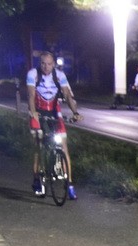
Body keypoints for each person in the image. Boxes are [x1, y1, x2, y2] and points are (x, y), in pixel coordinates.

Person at [26, 51, 81, 199]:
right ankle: (37, 178)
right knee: (39, 146)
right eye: (43, 63)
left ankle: (69, 184)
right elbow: (31, 95)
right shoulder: (33, 74)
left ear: (54, 64)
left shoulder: (60, 75)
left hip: (54, 112)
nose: (46, 66)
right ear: (40, 63)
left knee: (63, 147)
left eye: (49, 64)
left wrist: (75, 112)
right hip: (38, 111)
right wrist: (33, 112)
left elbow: (67, 96)